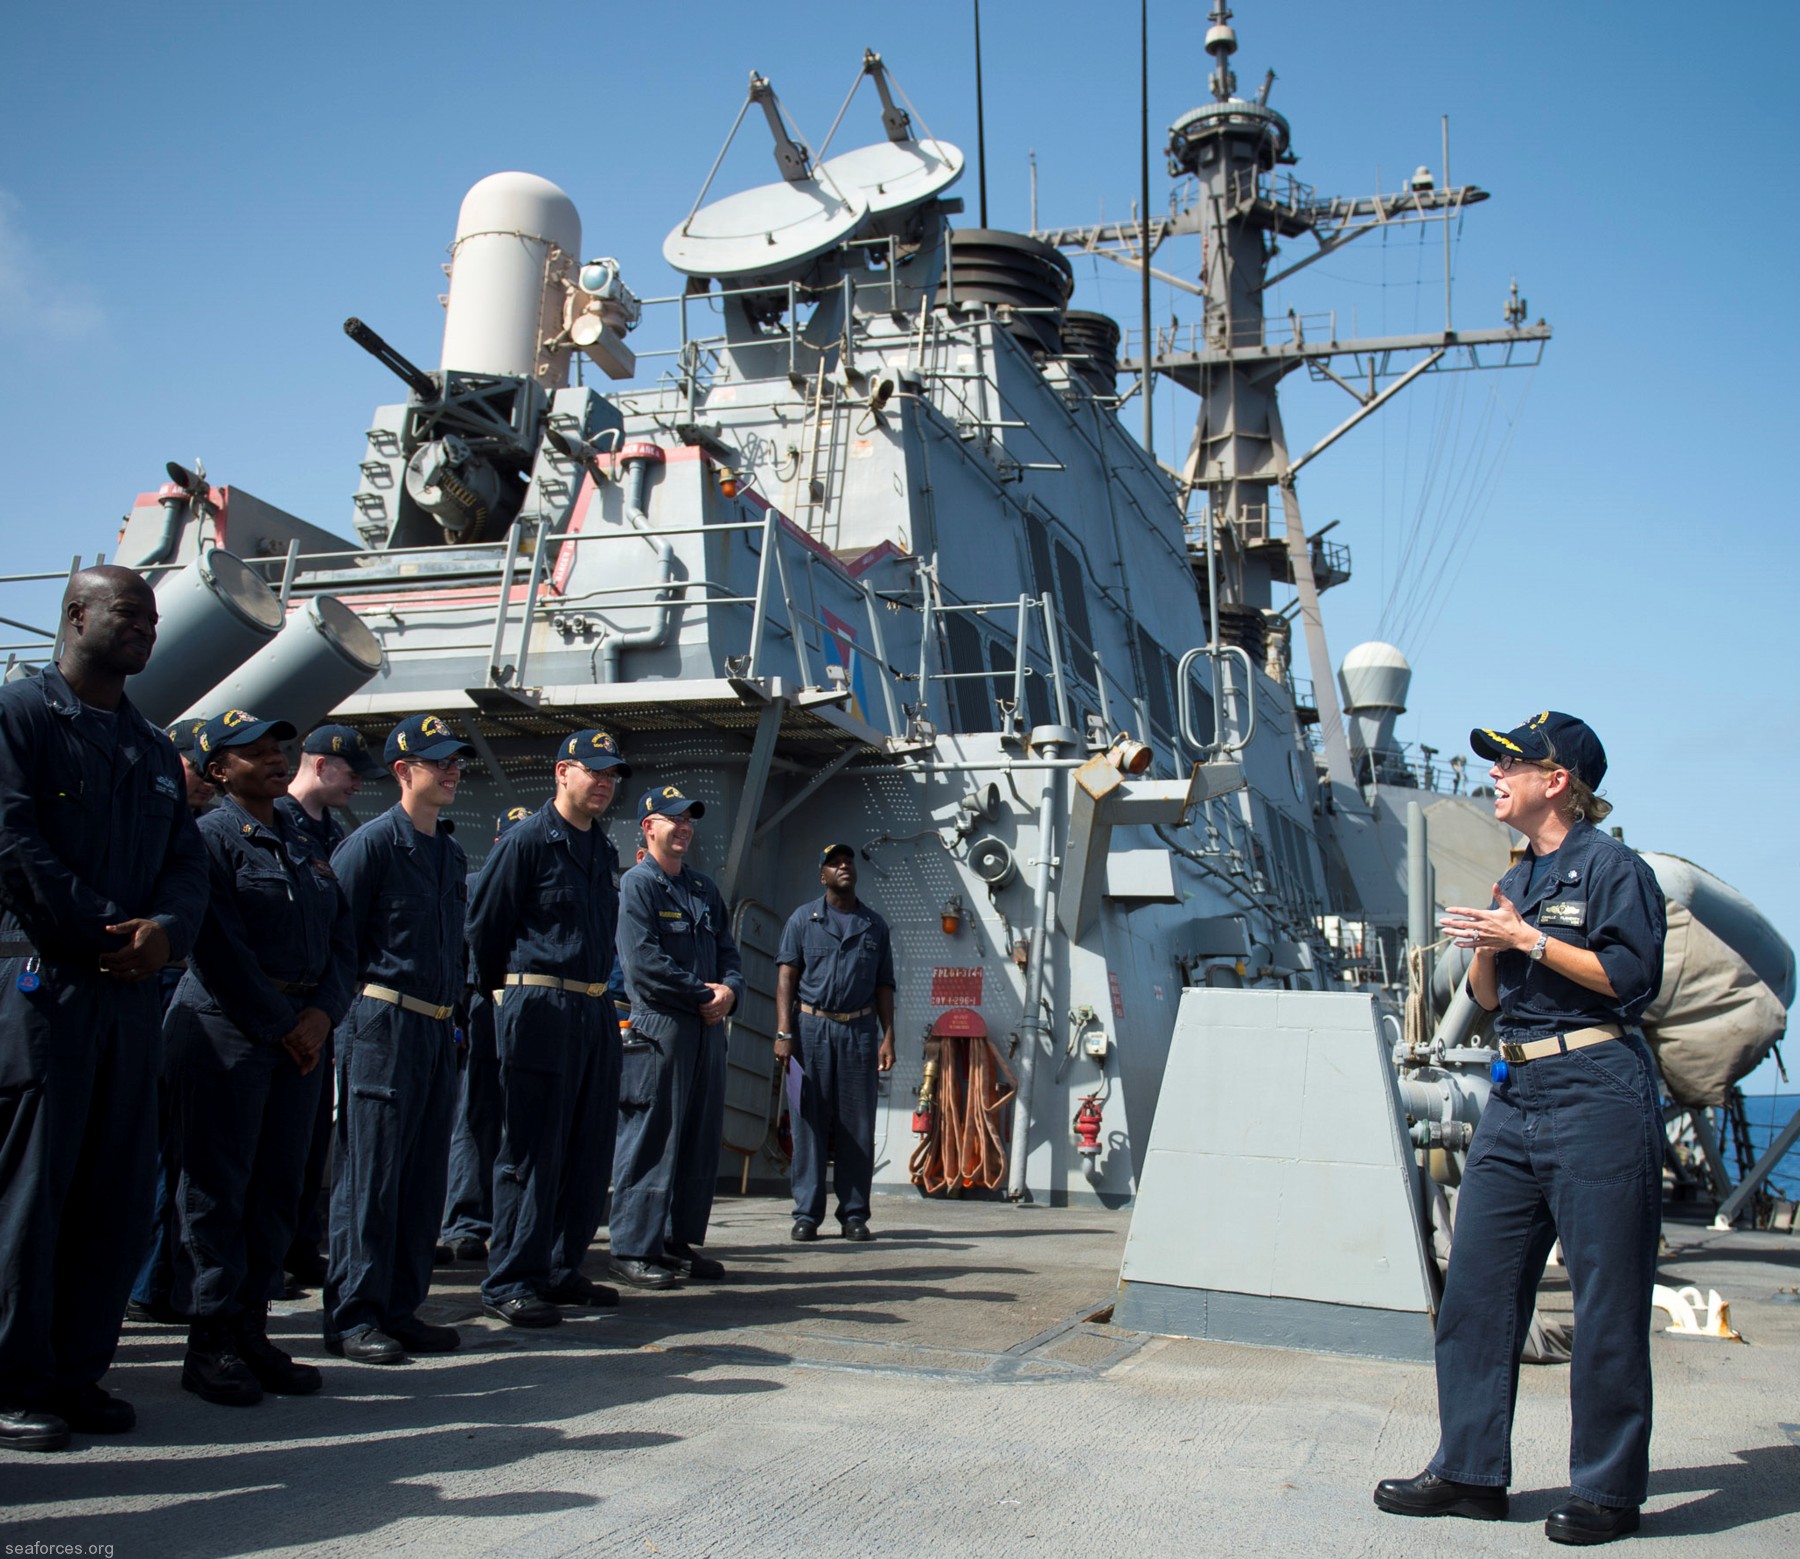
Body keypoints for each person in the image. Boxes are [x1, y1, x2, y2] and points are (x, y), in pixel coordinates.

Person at [1375, 712, 1666, 1547]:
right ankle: (1469, 1472)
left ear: (1558, 781)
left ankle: (1608, 1491)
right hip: (1516, 1086)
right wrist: (1488, 946)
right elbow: (1494, 1001)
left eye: (1511, 763)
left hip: (1597, 1090)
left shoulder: (1616, 870)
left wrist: (1525, 936)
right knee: (1475, 1290)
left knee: (1607, 1300)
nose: (1495, 774)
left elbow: (1629, 979)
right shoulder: (1518, 877)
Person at [0, 566, 209, 1452]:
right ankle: (13, 1380)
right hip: (47, 987)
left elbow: (185, 863)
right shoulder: (20, 716)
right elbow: (11, 838)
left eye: (154, 619)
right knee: (33, 1193)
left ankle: (78, 1370)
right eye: (129, 613)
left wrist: (164, 932)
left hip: (130, 998)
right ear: (76, 613)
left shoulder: (152, 748)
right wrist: (103, 929)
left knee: (114, 1192)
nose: (146, 630)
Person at [165, 709, 355, 1406]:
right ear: (218, 770)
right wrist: (285, 1024)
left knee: (279, 1187)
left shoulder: (306, 838)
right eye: (254, 751)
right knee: (219, 1190)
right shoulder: (207, 838)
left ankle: (252, 1330)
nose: (276, 756)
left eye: (279, 747)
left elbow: (343, 938)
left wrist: (321, 1014)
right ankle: (209, 1340)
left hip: (298, 1035)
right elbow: (217, 948)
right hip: (228, 1035)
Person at [322, 713, 472, 1365]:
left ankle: (400, 1306)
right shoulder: (371, 845)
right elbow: (338, 943)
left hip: (437, 1026)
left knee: (420, 1178)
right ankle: (353, 1314)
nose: (452, 770)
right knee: (372, 1175)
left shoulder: (449, 851)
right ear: (404, 770)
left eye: (456, 760)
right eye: (438, 760)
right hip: (381, 1021)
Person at [468, 731, 630, 1326]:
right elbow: (485, 928)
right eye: (595, 771)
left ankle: (561, 1268)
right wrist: (502, 997)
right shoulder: (528, 842)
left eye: (613, 774)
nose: (606, 782)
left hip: (593, 1010)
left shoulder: (603, 850)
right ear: (564, 772)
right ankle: (511, 1277)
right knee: (532, 1148)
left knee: (587, 1148)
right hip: (539, 1005)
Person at [610, 786, 743, 1289]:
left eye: (688, 819)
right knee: (651, 1135)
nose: (683, 826)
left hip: (706, 1029)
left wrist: (729, 992)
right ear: (648, 827)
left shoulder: (704, 890)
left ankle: (675, 1242)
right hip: (661, 1027)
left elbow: (730, 955)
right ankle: (630, 1247)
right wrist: (703, 996)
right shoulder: (638, 886)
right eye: (672, 818)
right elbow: (643, 964)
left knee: (697, 1137)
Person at [277, 722, 383, 1289]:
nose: (356, 785)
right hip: (276, 1010)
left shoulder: (335, 830)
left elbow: (345, 929)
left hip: (321, 1009)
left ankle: (295, 1247)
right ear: (319, 765)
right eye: (349, 773)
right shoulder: (273, 820)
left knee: (310, 1138)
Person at [125, 716, 219, 1327]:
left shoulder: (195, 829)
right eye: (196, 763)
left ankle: (160, 1279)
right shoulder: (150, 820)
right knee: (147, 1140)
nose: (206, 776)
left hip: (179, 977)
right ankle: (147, 1281)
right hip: (142, 979)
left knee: (178, 1144)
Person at [774, 843, 896, 1242]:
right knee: (809, 1120)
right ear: (822, 875)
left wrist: (887, 1037)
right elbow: (786, 981)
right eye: (834, 863)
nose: (844, 867)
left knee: (857, 1126)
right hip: (811, 1030)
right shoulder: (802, 920)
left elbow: (883, 987)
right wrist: (783, 1033)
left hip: (859, 1034)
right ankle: (807, 1213)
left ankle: (855, 1214)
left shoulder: (874, 925)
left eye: (848, 862)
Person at [439, 805, 532, 1264]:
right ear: (498, 843)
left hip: (529, 1010)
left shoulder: (536, 886)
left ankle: (513, 1219)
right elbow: (454, 954)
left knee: (524, 1118)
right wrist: (458, 1018)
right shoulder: (473, 886)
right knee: (476, 1113)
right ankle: (465, 1220)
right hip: (484, 1008)